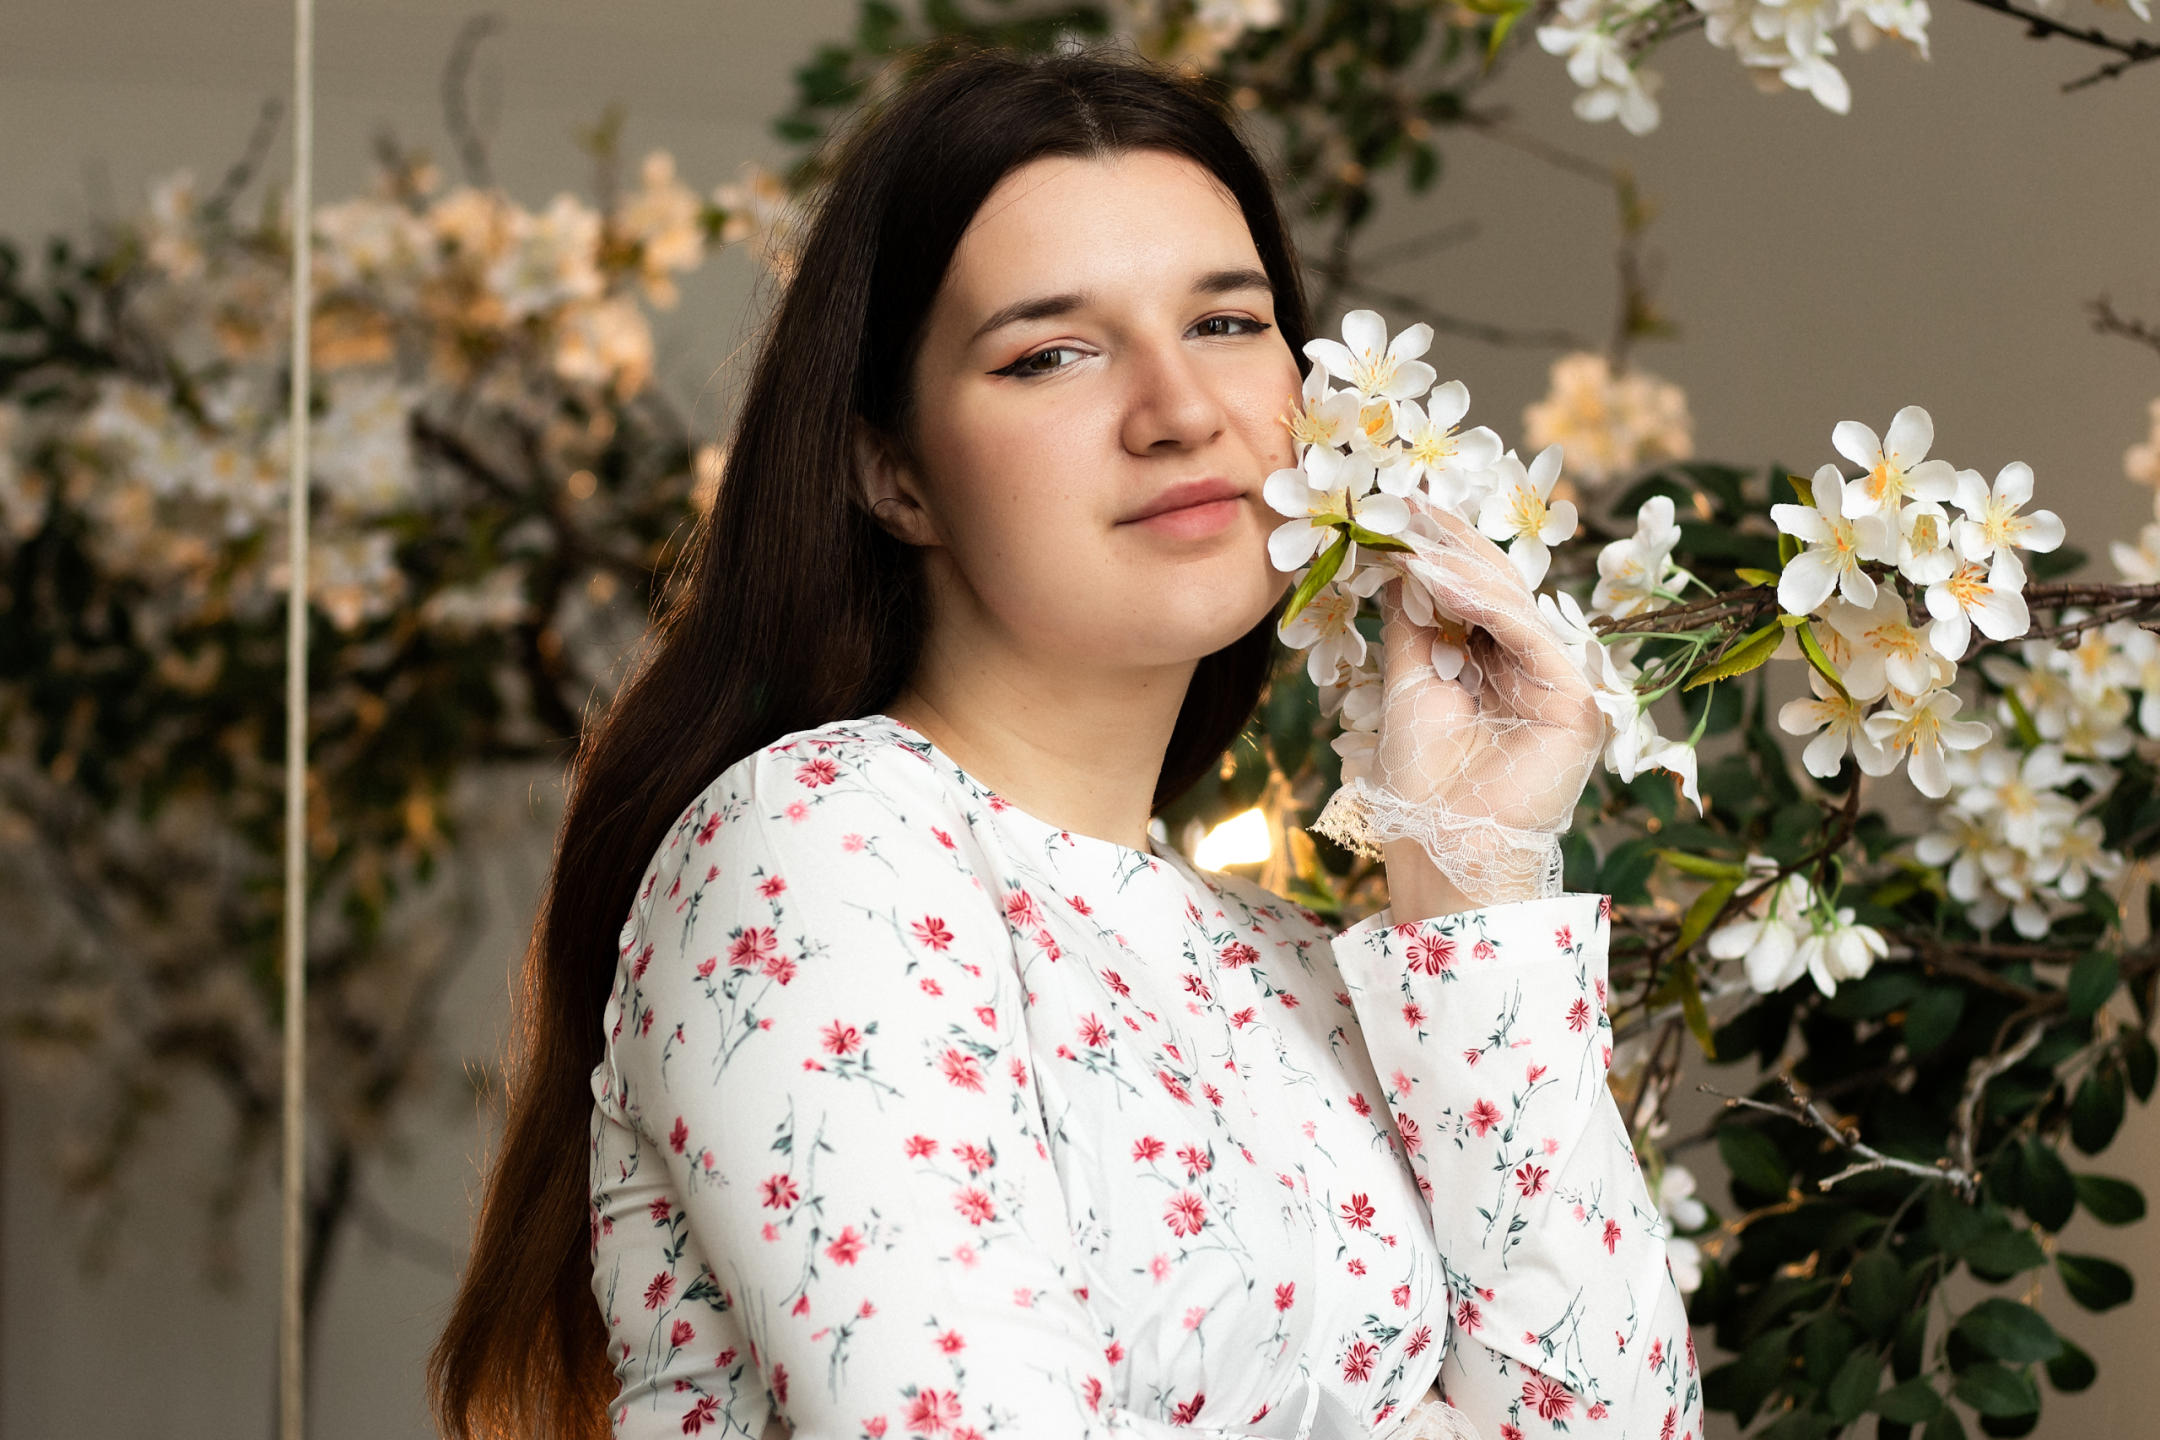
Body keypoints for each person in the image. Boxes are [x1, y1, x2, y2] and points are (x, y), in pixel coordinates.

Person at [429, 39, 1702, 1440]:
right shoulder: (815, 846)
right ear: (894, 473)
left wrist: (1469, 879)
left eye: (1227, 323)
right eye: (1051, 354)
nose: (1180, 412)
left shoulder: (1296, 967)